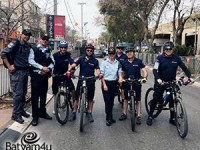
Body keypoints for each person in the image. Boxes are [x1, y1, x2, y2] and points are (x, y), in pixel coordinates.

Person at [146, 41, 191, 126]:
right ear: (164, 49)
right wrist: (158, 79)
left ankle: (172, 118)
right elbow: (155, 70)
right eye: (166, 49)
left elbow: (184, 68)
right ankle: (150, 116)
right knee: (156, 99)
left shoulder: (176, 58)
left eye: (170, 49)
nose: (168, 50)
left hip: (171, 82)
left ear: (172, 49)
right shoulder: (159, 58)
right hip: (161, 82)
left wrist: (189, 77)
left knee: (172, 100)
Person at [1, 29, 32, 124]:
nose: (27, 36)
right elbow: (3, 53)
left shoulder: (27, 46)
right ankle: (15, 114)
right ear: (21, 34)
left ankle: (21, 110)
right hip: (17, 72)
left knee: (23, 93)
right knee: (18, 94)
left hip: (24, 72)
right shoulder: (15, 43)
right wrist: (9, 66)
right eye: (25, 34)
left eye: (28, 35)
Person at [68, 44, 101, 122]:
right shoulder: (81, 59)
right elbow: (74, 64)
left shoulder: (95, 61)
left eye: (91, 50)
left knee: (90, 98)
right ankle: (74, 113)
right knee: (76, 98)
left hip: (90, 80)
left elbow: (97, 69)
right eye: (88, 50)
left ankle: (89, 113)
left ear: (92, 51)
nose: (89, 52)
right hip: (81, 80)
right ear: (86, 51)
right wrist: (69, 70)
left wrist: (99, 74)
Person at [28, 34, 55, 126]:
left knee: (43, 95)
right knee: (35, 97)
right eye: (43, 39)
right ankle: (35, 117)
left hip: (44, 75)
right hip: (36, 75)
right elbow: (31, 61)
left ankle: (43, 113)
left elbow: (53, 62)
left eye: (46, 39)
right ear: (40, 39)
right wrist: (41, 68)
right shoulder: (34, 49)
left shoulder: (49, 50)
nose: (45, 41)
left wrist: (48, 68)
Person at [119, 47, 148, 125]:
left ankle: (138, 116)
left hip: (137, 82)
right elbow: (122, 72)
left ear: (134, 53)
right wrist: (121, 79)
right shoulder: (124, 62)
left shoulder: (139, 61)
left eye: (131, 52)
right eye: (128, 52)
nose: (129, 53)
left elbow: (144, 71)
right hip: (127, 82)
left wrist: (144, 78)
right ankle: (124, 113)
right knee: (125, 99)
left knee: (138, 100)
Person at [100, 48, 123, 126]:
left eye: (113, 54)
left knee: (111, 101)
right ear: (108, 54)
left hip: (114, 83)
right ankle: (108, 119)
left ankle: (111, 117)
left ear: (115, 54)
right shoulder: (104, 63)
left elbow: (119, 72)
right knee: (107, 101)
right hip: (106, 83)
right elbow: (101, 75)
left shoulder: (118, 63)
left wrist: (120, 78)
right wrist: (104, 84)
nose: (111, 56)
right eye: (110, 54)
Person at [52, 41, 75, 113]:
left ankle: (74, 102)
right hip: (56, 75)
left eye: (65, 47)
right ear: (59, 48)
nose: (63, 49)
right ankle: (56, 106)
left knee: (72, 89)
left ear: (67, 48)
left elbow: (72, 63)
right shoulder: (55, 55)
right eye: (62, 47)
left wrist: (72, 70)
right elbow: (50, 64)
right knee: (55, 92)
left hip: (65, 74)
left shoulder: (68, 55)